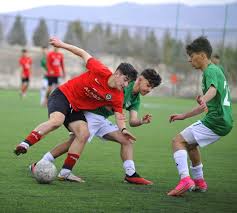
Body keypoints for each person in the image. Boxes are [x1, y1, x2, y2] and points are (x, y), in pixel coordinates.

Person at [14, 37, 138, 180]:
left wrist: (123, 129)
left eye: (128, 82)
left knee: (83, 134)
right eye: (125, 80)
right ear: (117, 74)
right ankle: (25, 144)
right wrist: (61, 45)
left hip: (76, 109)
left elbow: (119, 115)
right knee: (57, 121)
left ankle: (65, 173)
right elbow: (82, 53)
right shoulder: (99, 69)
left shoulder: (117, 96)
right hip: (63, 95)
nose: (126, 85)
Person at [30, 69, 162, 184]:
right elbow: (106, 93)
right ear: (140, 79)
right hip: (91, 115)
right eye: (148, 85)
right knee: (73, 143)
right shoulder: (124, 83)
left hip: (102, 120)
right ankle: (41, 164)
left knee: (126, 140)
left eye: (152, 88)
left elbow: (133, 121)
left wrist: (141, 121)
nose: (149, 90)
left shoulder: (136, 99)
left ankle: (131, 174)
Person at [167, 36, 233, 196]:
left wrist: (204, 98)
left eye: (191, 56)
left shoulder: (210, 70)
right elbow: (205, 104)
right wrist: (183, 115)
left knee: (177, 141)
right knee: (190, 145)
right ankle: (200, 182)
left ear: (202, 55)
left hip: (216, 121)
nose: (189, 60)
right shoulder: (215, 70)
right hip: (222, 120)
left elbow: (213, 90)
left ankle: (185, 180)